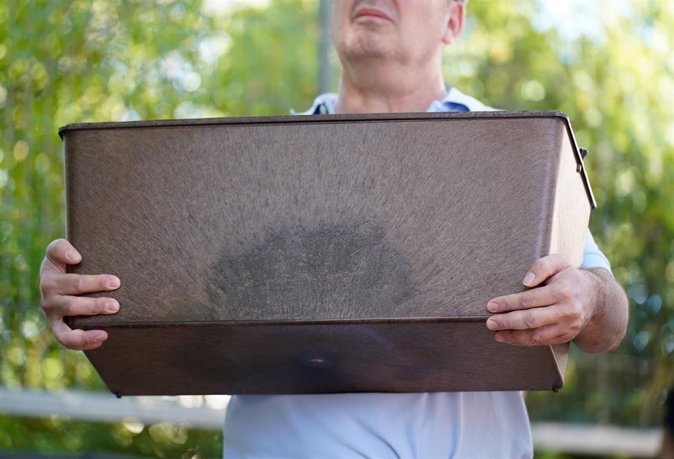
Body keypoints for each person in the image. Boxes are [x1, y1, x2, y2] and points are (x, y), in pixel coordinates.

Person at [40, 1, 629, 457]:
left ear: (453, 19)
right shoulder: (247, 164)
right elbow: (169, 302)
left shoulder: (519, 153)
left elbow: (608, 317)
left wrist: (587, 295)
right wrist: (83, 286)